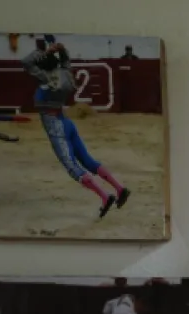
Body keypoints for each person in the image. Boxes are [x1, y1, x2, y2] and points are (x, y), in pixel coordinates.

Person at [23, 36, 129, 218]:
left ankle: (105, 197)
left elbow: (25, 62)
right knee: (87, 160)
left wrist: (45, 52)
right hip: (67, 122)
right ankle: (119, 188)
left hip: (55, 126)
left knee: (72, 167)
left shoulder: (44, 78)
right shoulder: (65, 75)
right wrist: (60, 49)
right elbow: (65, 61)